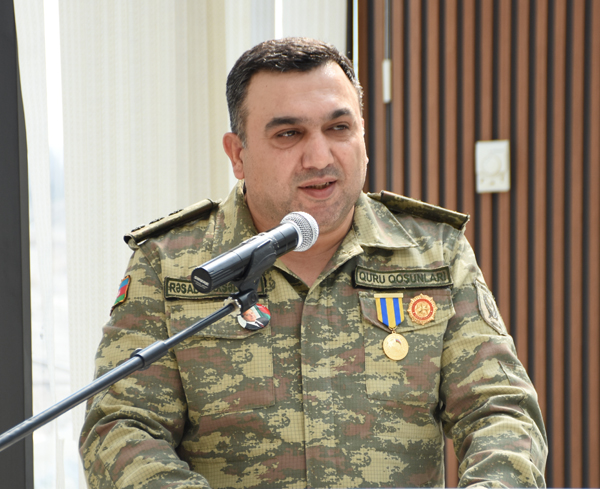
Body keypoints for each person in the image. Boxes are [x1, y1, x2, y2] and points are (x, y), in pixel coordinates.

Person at [80, 37, 547, 488]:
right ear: (238, 154)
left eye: (339, 128)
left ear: (363, 137)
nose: (319, 157)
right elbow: (120, 426)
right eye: (289, 134)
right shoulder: (169, 263)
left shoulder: (434, 253)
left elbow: (499, 411)